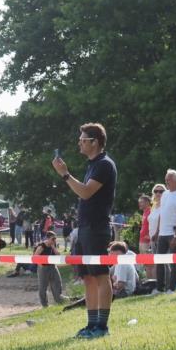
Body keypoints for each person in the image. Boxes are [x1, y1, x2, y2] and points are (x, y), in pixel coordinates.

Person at [51, 122, 117, 338]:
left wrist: (65, 175)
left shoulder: (104, 164)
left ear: (94, 142)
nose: (79, 143)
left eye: (83, 139)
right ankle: (91, 324)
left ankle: (102, 326)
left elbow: (86, 193)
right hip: (85, 228)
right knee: (88, 278)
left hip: (97, 228)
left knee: (100, 275)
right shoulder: (92, 164)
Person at [155, 170, 176, 294]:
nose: (166, 182)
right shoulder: (165, 194)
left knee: (174, 262)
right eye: (166, 179)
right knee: (159, 261)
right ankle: (159, 288)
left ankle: (172, 288)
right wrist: (158, 231)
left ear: (175, 181)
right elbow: (162, 214)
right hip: (163, 233)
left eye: (168, 179)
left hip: (174, 233)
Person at [35, 230, 65, 307]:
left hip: (52, 266)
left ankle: (59, 300)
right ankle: (44, 305)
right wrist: (40, 264)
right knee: (43, 287)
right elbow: (35, 257)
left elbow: (58, 255)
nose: (54, 240)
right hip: (43, 268)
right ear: (47, 238)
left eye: (55, 239)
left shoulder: (53, 245)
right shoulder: (42, 246)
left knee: (57, 283)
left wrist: (53, 247)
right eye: (52, 239)